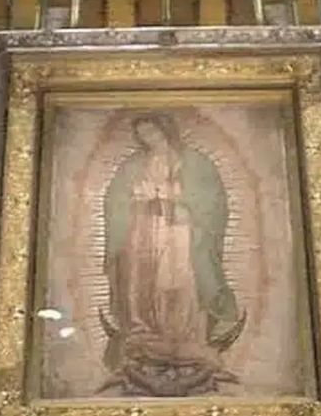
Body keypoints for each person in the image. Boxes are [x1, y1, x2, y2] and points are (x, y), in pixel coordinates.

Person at [99, 113, 244, 396]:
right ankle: (142, 335)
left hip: (181, 231)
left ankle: (187, 337)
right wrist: (133, 199)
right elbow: (115, 199)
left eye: (153, 133)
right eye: (142, 136)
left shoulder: (195, 164)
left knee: (181, 279)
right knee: (141, 282)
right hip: (142, 231)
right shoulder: (132, 166)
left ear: (166, 131)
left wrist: (178, 198)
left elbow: (213, 201)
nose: (148, 140)